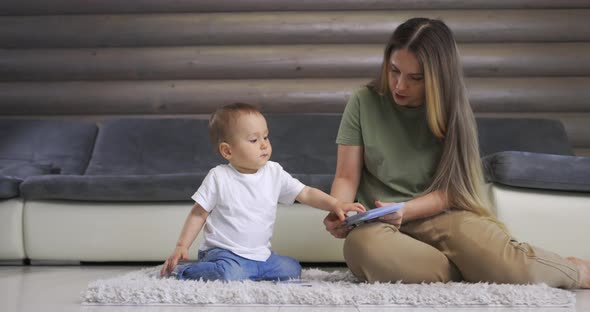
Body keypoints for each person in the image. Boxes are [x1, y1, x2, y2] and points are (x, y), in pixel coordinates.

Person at [322, 17, 590, 288]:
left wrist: (404, 210)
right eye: (394, 71)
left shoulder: (453, 111)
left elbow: (453, 189)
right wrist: (338, 209)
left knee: (515, 269)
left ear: (438, 78)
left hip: (444, 218)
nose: (400, 86)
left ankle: (574, 270)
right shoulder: (363, 101)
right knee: (363, 248)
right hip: (380, 228)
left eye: (415, 78)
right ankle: (477, 270)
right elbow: (346, 176)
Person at [161, 103, 365, 281]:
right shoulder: (219, 177)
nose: (264, 144)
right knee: (229, 274)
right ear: (227, 151)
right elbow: (199, 212)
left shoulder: (273, 172)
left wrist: (336, 204)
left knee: (290, 269)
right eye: (253, 140)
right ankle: (186, 272)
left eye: (265, 137)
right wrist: (182, 245)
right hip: (224, 253)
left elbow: (306, 193)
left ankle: (250, 271)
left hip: (261, 255)